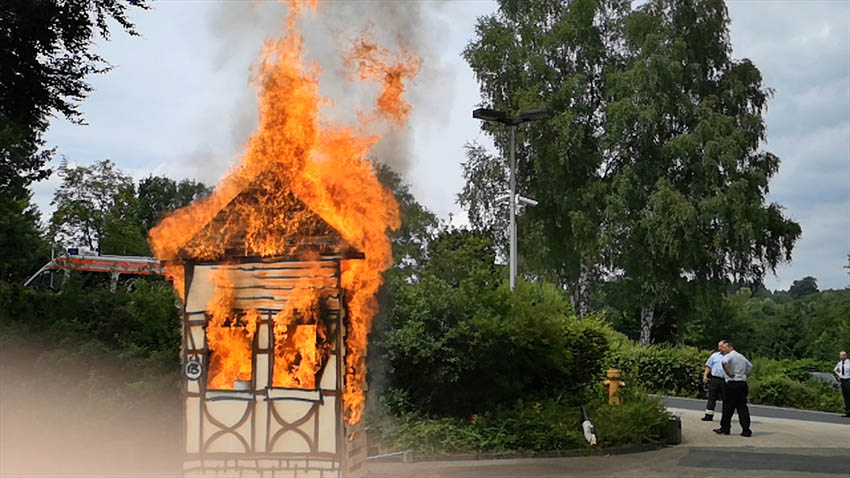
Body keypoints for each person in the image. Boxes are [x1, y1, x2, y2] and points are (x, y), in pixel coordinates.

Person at [714, 340, 753, 437]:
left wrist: (728, 373)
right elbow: (750, 366)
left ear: (730, 347)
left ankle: (725, 428)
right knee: (742, 407)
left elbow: (724, 362)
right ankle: (746, 430)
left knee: (728, 407)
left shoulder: (729, 355)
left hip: (732, 383)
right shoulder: (741, 356)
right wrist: (744, 374)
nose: (722, 350)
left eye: (724, 348)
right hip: (742, 383)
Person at [701, 341, 727, 421]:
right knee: (711, 397)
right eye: (719, 346)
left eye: (721, 346)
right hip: (715, 379)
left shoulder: (730, 357)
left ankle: (725, 417)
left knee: (726, 399)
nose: (720, 348)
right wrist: (705, 375)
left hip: (725, 380)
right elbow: (709, 366)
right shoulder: (715, 356)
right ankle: (708, 415)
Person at [833, 351, 850, 418]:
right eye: (840, 355)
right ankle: (848, 412)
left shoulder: (849, 362)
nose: (841, 357)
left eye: (843, 355)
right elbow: (835, 370)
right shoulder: (840, 363)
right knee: (845, 397)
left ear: (846, 356)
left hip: (848, 379)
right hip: (842, 380)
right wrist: (839, 374)